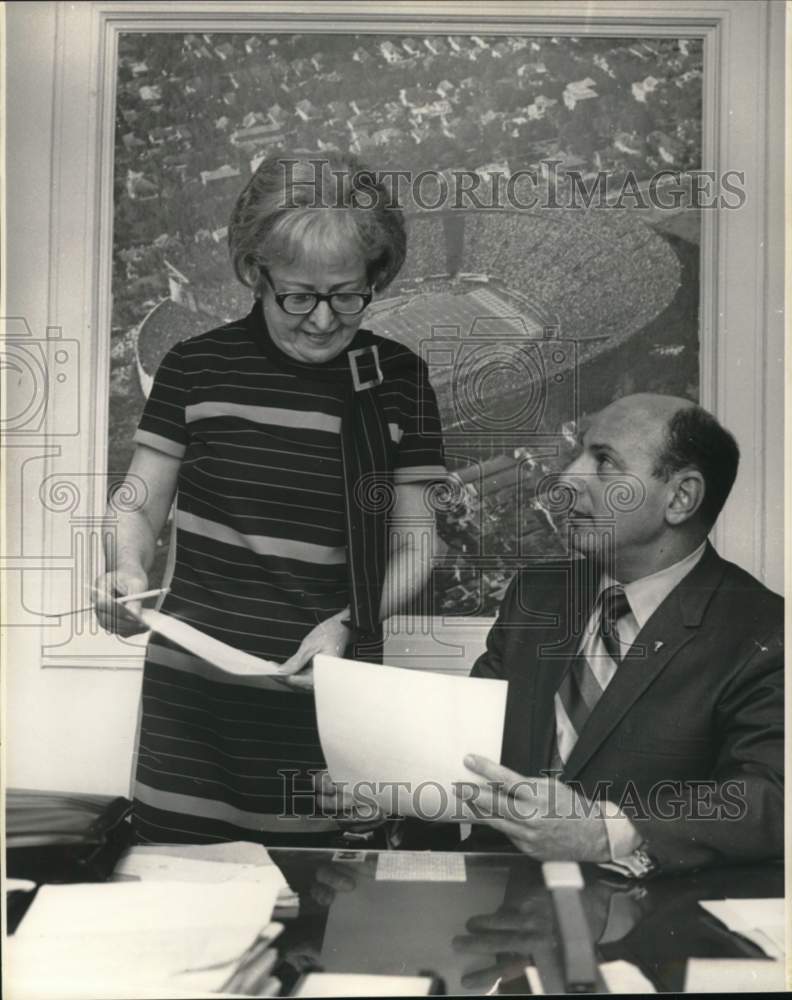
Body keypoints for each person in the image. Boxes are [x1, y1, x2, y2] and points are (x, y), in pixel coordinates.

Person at [94, 151, 446, 845]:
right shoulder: (194, 367)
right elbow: (136, 503)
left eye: (347, 295)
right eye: (298, 295)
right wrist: (128, 570)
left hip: (329, 705)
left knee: (321, 914)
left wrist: (352, 620)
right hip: (191, 715)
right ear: (257, 273)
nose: (322, 320)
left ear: (376, 277)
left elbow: (418, 544)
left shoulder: (398, 379)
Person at [460, 393, 783, 875]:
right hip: (499, 910)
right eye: (579, 454)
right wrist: (379, 771)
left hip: (646, 926)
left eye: (604, 462)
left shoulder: (764, 631)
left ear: (680, 498)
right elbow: (468, 737)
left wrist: (606, 832)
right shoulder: (536, 594)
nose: (568, 479)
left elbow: (769, 796)